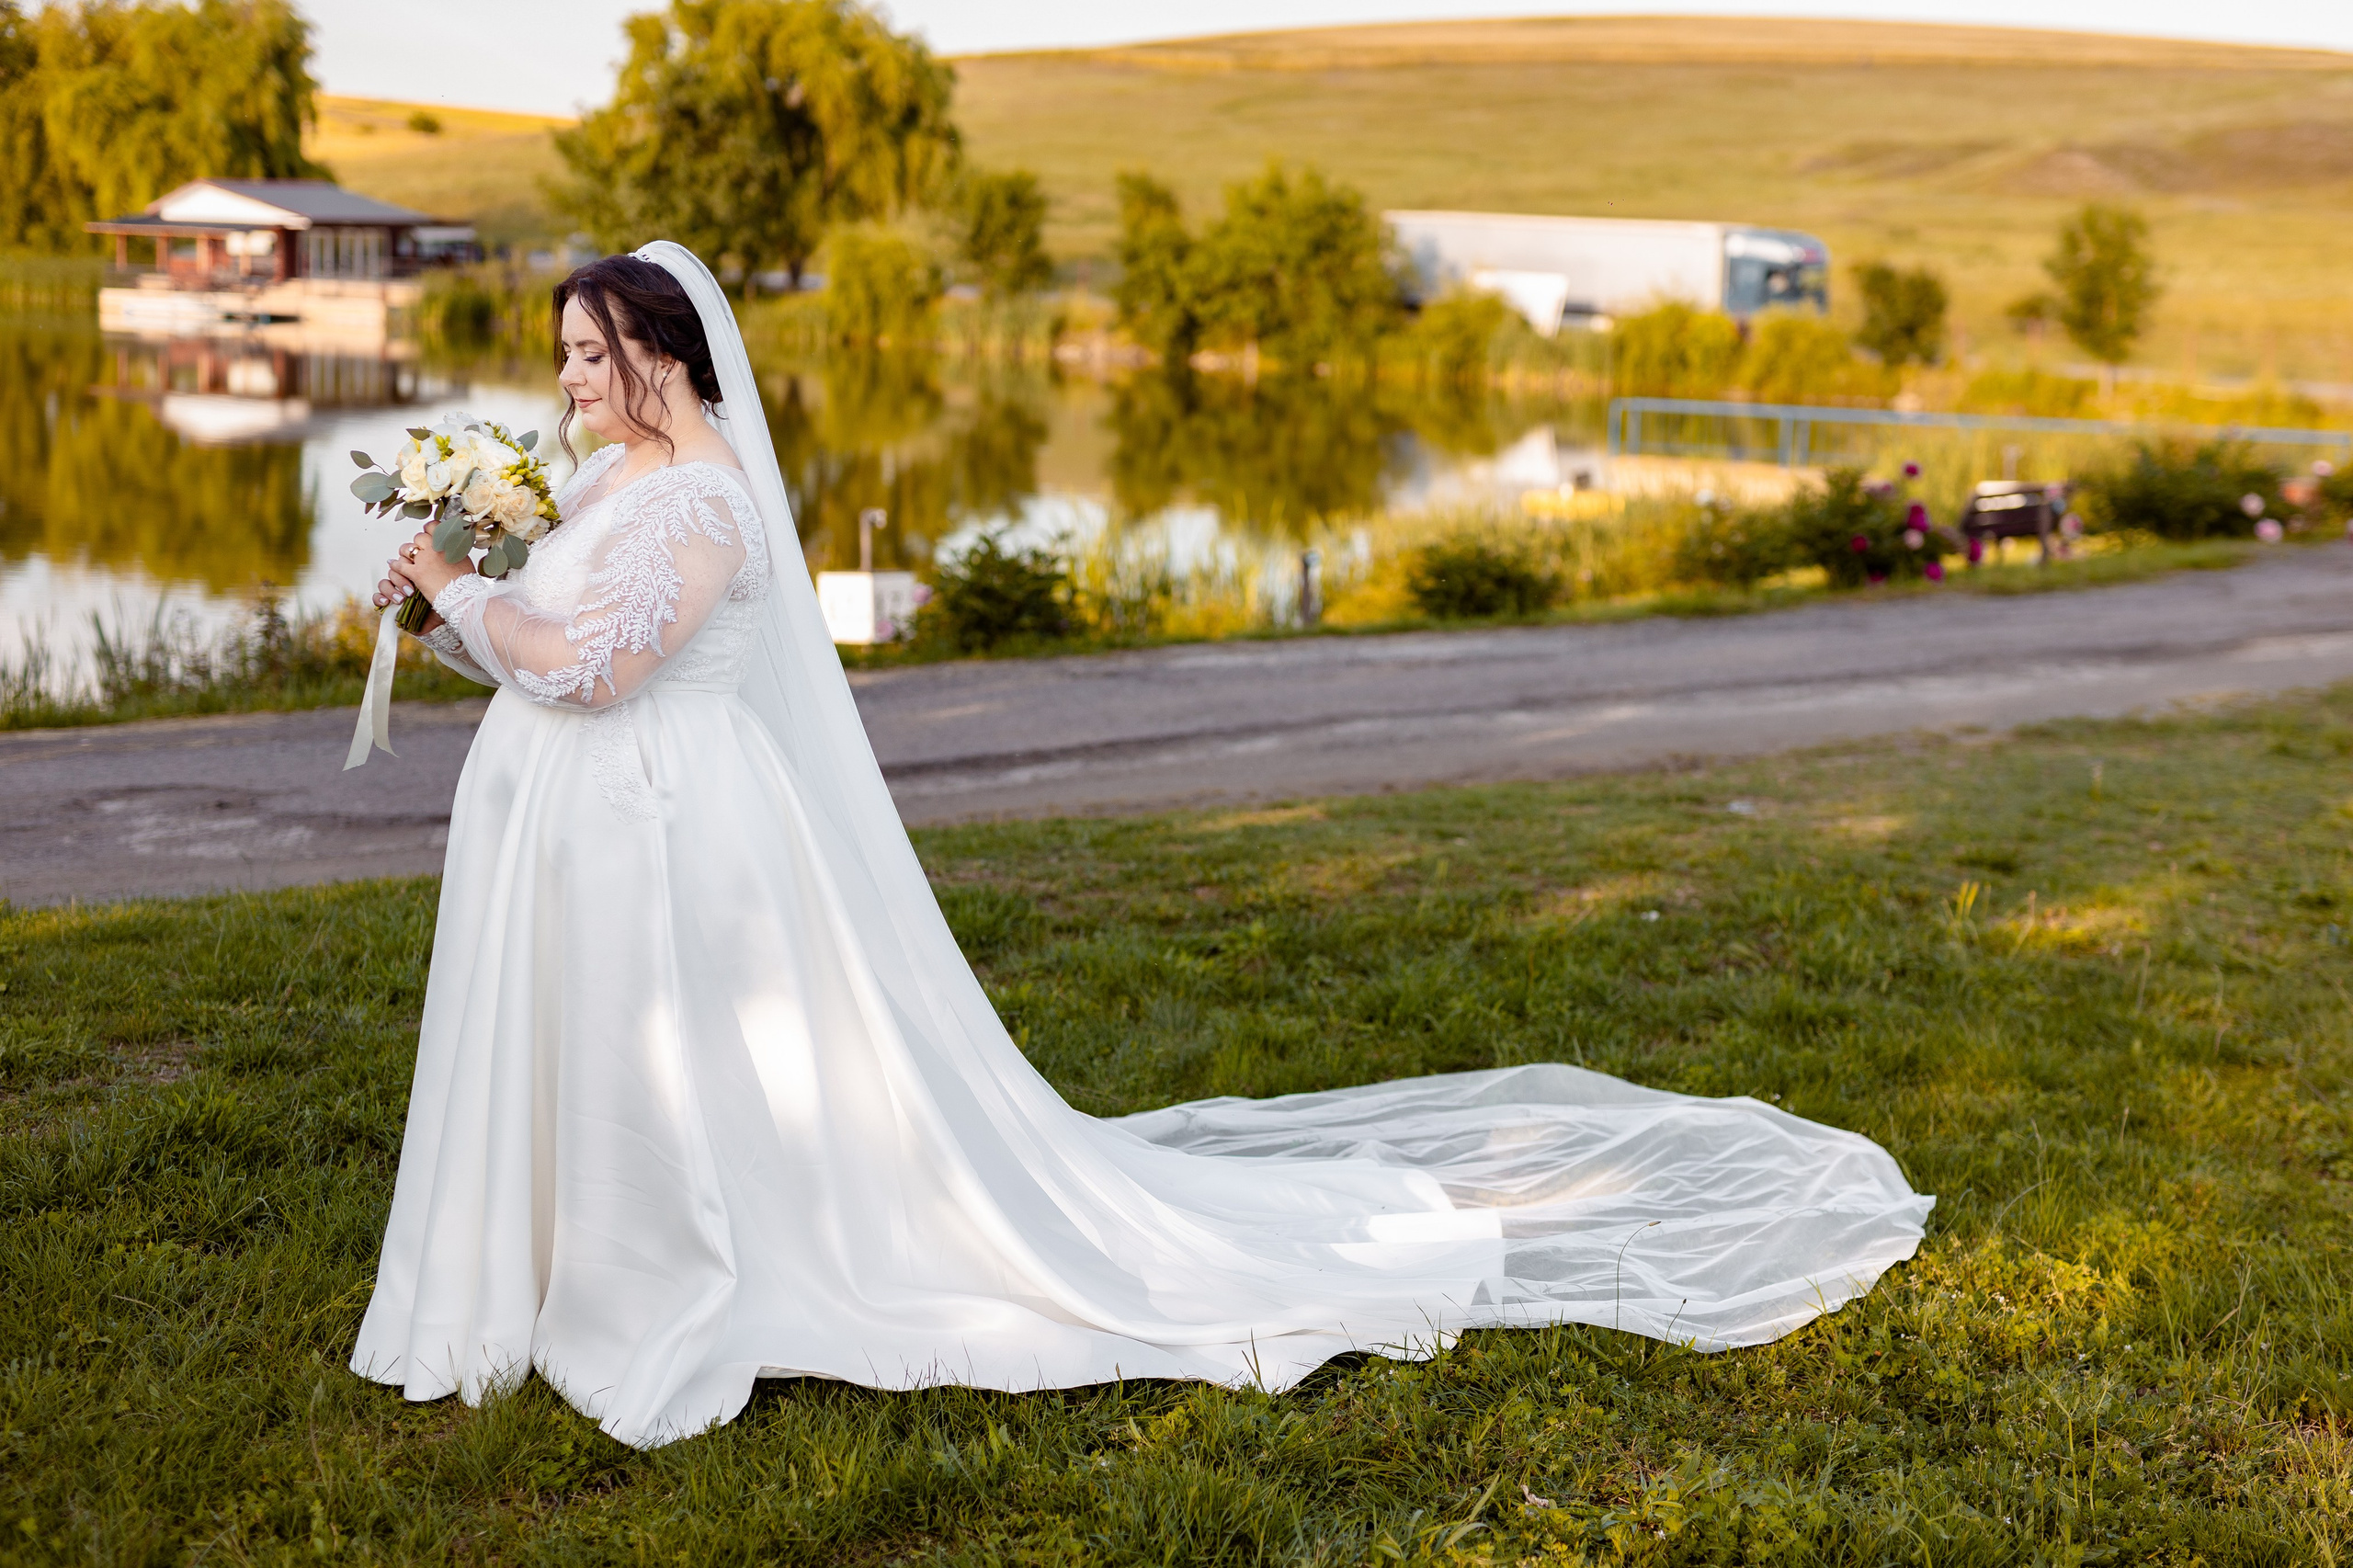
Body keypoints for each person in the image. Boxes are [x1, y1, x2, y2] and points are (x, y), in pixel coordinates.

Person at [353, 244, 1933, 1450]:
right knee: (608, 1056)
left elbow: (600, 667)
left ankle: (672, 1274)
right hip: (588, 823)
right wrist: (443, 613)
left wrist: (457, 580)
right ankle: (560, 1262)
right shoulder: (613, 478)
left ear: (665, 359)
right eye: (562, 352)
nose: (564, 377)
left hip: (670, 828)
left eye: (588, 351)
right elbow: (543, 635)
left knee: (688, 1082)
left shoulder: (702, 505)